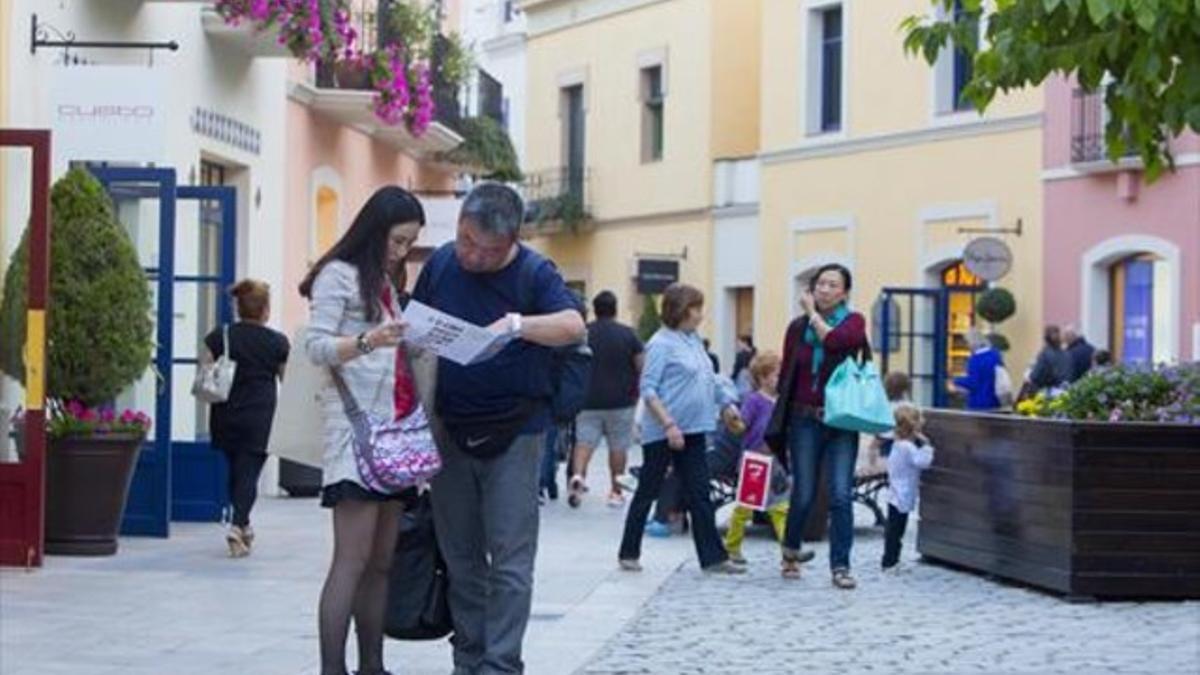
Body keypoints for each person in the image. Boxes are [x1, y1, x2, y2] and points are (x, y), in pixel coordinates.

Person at [410, 183, 585, 675]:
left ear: (512, 241)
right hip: (449, 426)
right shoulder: (442, 264)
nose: (471, 254)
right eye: (465, 239)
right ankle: (468, 659)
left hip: (517, 430)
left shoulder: (535, 272)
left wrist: (514, 326)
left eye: (485, 250)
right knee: (460, 554)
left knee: (509, 557)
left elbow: (573, 326)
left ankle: (501, 663)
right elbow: (416, 327)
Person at [301, 186, 428, 675]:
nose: (401, 252)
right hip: (355, 432)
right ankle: (332, 668)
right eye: (397, 241)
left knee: (380, 561)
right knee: (351, 560)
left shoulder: (384, 283)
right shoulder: (339, 275)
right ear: (375, 231)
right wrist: (368, 340)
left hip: (394, 433)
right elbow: (314, 346)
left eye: (408, 244)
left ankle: (372, 666)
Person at [617, 283, 745, 576]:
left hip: (696, 428)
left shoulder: (693, 340)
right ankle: (629, 551)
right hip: (665, 431)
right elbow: (648, 388)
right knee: (648, 489)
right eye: (696, 308)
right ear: (682, 310)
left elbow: (709, 379)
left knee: (700, 492)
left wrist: (726, 404)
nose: (701, 314)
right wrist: (668, 424)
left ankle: (713, 558)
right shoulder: (660, 344)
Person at [769, 263, 868, 589]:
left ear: (844, 293)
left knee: (840, 493)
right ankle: (791, 549)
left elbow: (836, 343)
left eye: (832, 285)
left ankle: (840, 565)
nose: (824, 289)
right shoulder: (797, 328)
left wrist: (813, 314)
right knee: (805, 491)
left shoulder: (854, 323)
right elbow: (787, 375)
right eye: (820, 284)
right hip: (804, 418)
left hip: (840, 420)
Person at [201, 279, 289, 558]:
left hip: (225, 413)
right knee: (249, 472)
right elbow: (285, 379)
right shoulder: (277, 342)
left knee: (236, 470)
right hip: (259, 416)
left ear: (238, 308)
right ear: (265, 309)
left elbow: (204, 365)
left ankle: (244, 524)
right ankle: (238, 526)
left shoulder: (220, 336)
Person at [569, 290, 644, 509]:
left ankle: (579, 476)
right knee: (618, 447)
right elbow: (642, 366)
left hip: (587, 399)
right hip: (620, 401)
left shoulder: (584, 333)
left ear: (595, 308)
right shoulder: (629, 335)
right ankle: (615, 491)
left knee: (584, 442)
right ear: (615, 308)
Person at [723, 351, 790, 566]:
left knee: (780, 508)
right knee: (745, 508)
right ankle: (732, 546)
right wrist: (733, 421)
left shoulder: (783, 401)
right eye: (777, 375)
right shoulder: (754, 401)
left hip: (777, 461)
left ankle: (788, 552)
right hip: (755, 461)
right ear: (762, 377)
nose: (780, 379)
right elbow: (742, 426)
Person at [881, 404, 934, 572]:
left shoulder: (898, 443)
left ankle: (890, 559)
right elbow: (922, 462)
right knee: (896, 531)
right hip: (901, 494)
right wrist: (927, 446)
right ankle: (891, 561)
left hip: (895, 492)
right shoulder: (908, 447)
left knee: (893, 530)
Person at [953, 328, 1006, 411]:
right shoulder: (995, 355)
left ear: (972, 342)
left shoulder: (975, 360)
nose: (967, 346)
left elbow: (973, 382)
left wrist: (956, 380)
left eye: (967, 342)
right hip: (995, 401)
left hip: (978, 403)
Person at [1028, 325, 1072, 393]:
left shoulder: (1045, 355)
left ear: (1046, 339)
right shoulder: (1067, 354)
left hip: (1048, 392)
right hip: (1064, 391)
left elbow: (1035, 376)